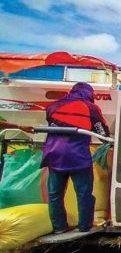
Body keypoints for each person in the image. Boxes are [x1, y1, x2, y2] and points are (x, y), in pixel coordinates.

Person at [41, 82, 110, 233]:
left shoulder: (53, 106)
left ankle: (59, 228)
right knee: (84, 193)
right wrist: (108, 142)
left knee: (55, 194)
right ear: (89, 94)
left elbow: (51, 123)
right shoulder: (90, 108)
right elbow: (102, 132)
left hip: (54, 156)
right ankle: (84, 226)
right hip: (77, 156)